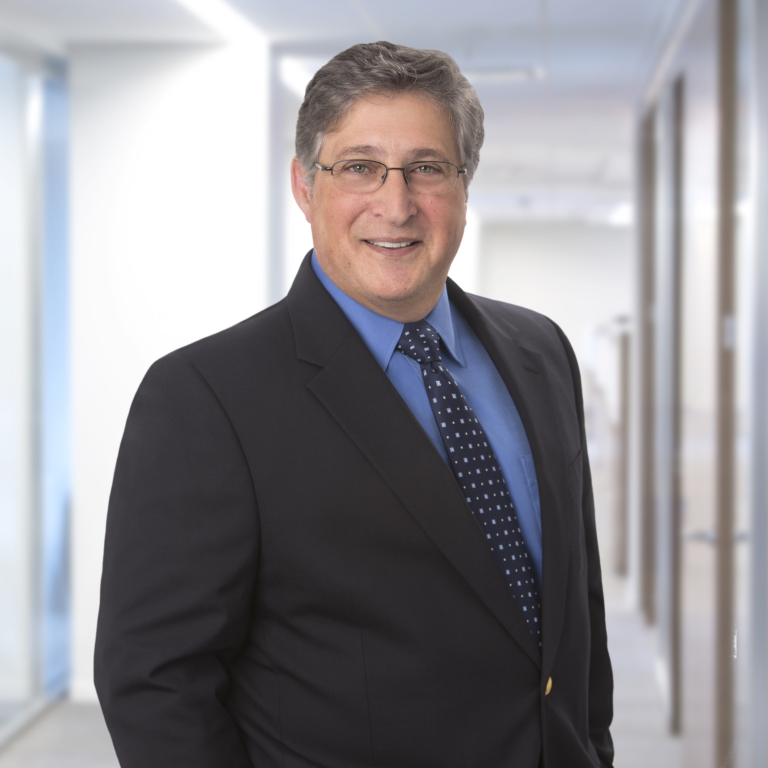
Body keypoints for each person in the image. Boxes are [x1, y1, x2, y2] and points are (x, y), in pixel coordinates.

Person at [95, 41, 613, 768]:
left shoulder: (541, 352)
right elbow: (155, 683)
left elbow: (575, 602)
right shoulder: (207, 397)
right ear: (305, 186)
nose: (395, 205)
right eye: (360, 167)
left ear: (464, 186)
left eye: (426, 168)